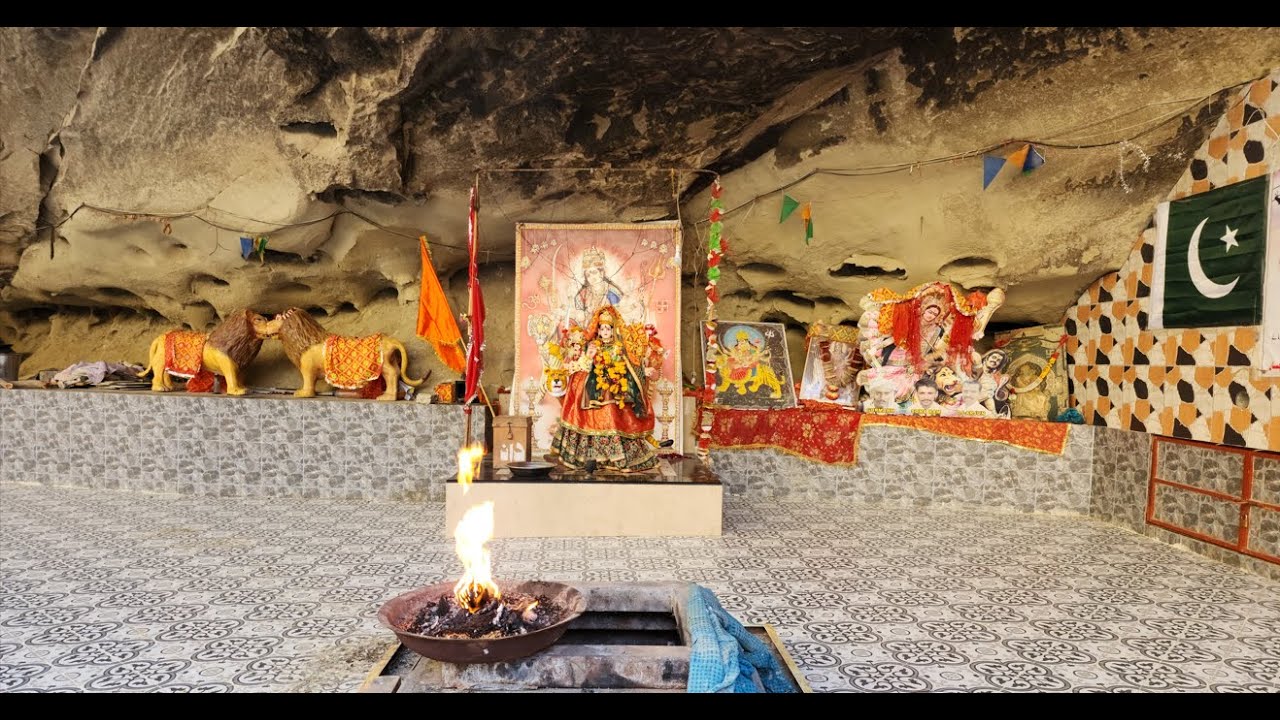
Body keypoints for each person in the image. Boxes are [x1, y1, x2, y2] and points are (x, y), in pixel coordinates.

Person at [548, 305, 659, 473]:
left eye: (608, 328)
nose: (605, 331)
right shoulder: (592, 345)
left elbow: (630, 368)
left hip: (615, 388)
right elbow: (584, 365)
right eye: (602, 328)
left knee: (613, 417)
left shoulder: (619, 347)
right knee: (587, 410)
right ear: (598, 330)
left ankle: (616, 458)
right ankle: (590, 457)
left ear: (613, 330)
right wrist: (589, 356)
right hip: (593, 387)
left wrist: (645, 372)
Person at [574, 247, 625, 321]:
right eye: (588, 275)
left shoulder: (612, 292)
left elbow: (618, 316)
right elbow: (579, 317)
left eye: (594, 273)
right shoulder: (582, 294)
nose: (592, 277)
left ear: (601, 273)